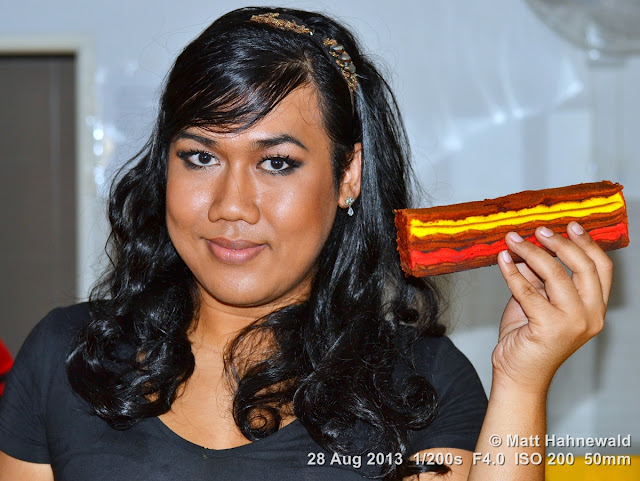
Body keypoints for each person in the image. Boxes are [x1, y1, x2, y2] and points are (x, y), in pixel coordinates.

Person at [0, 6, 612, 481]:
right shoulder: (66, 357)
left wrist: (523, 380)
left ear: (348, 175)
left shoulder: (421, 384)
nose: (230, 206)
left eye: (278, 164)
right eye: (200, 156)